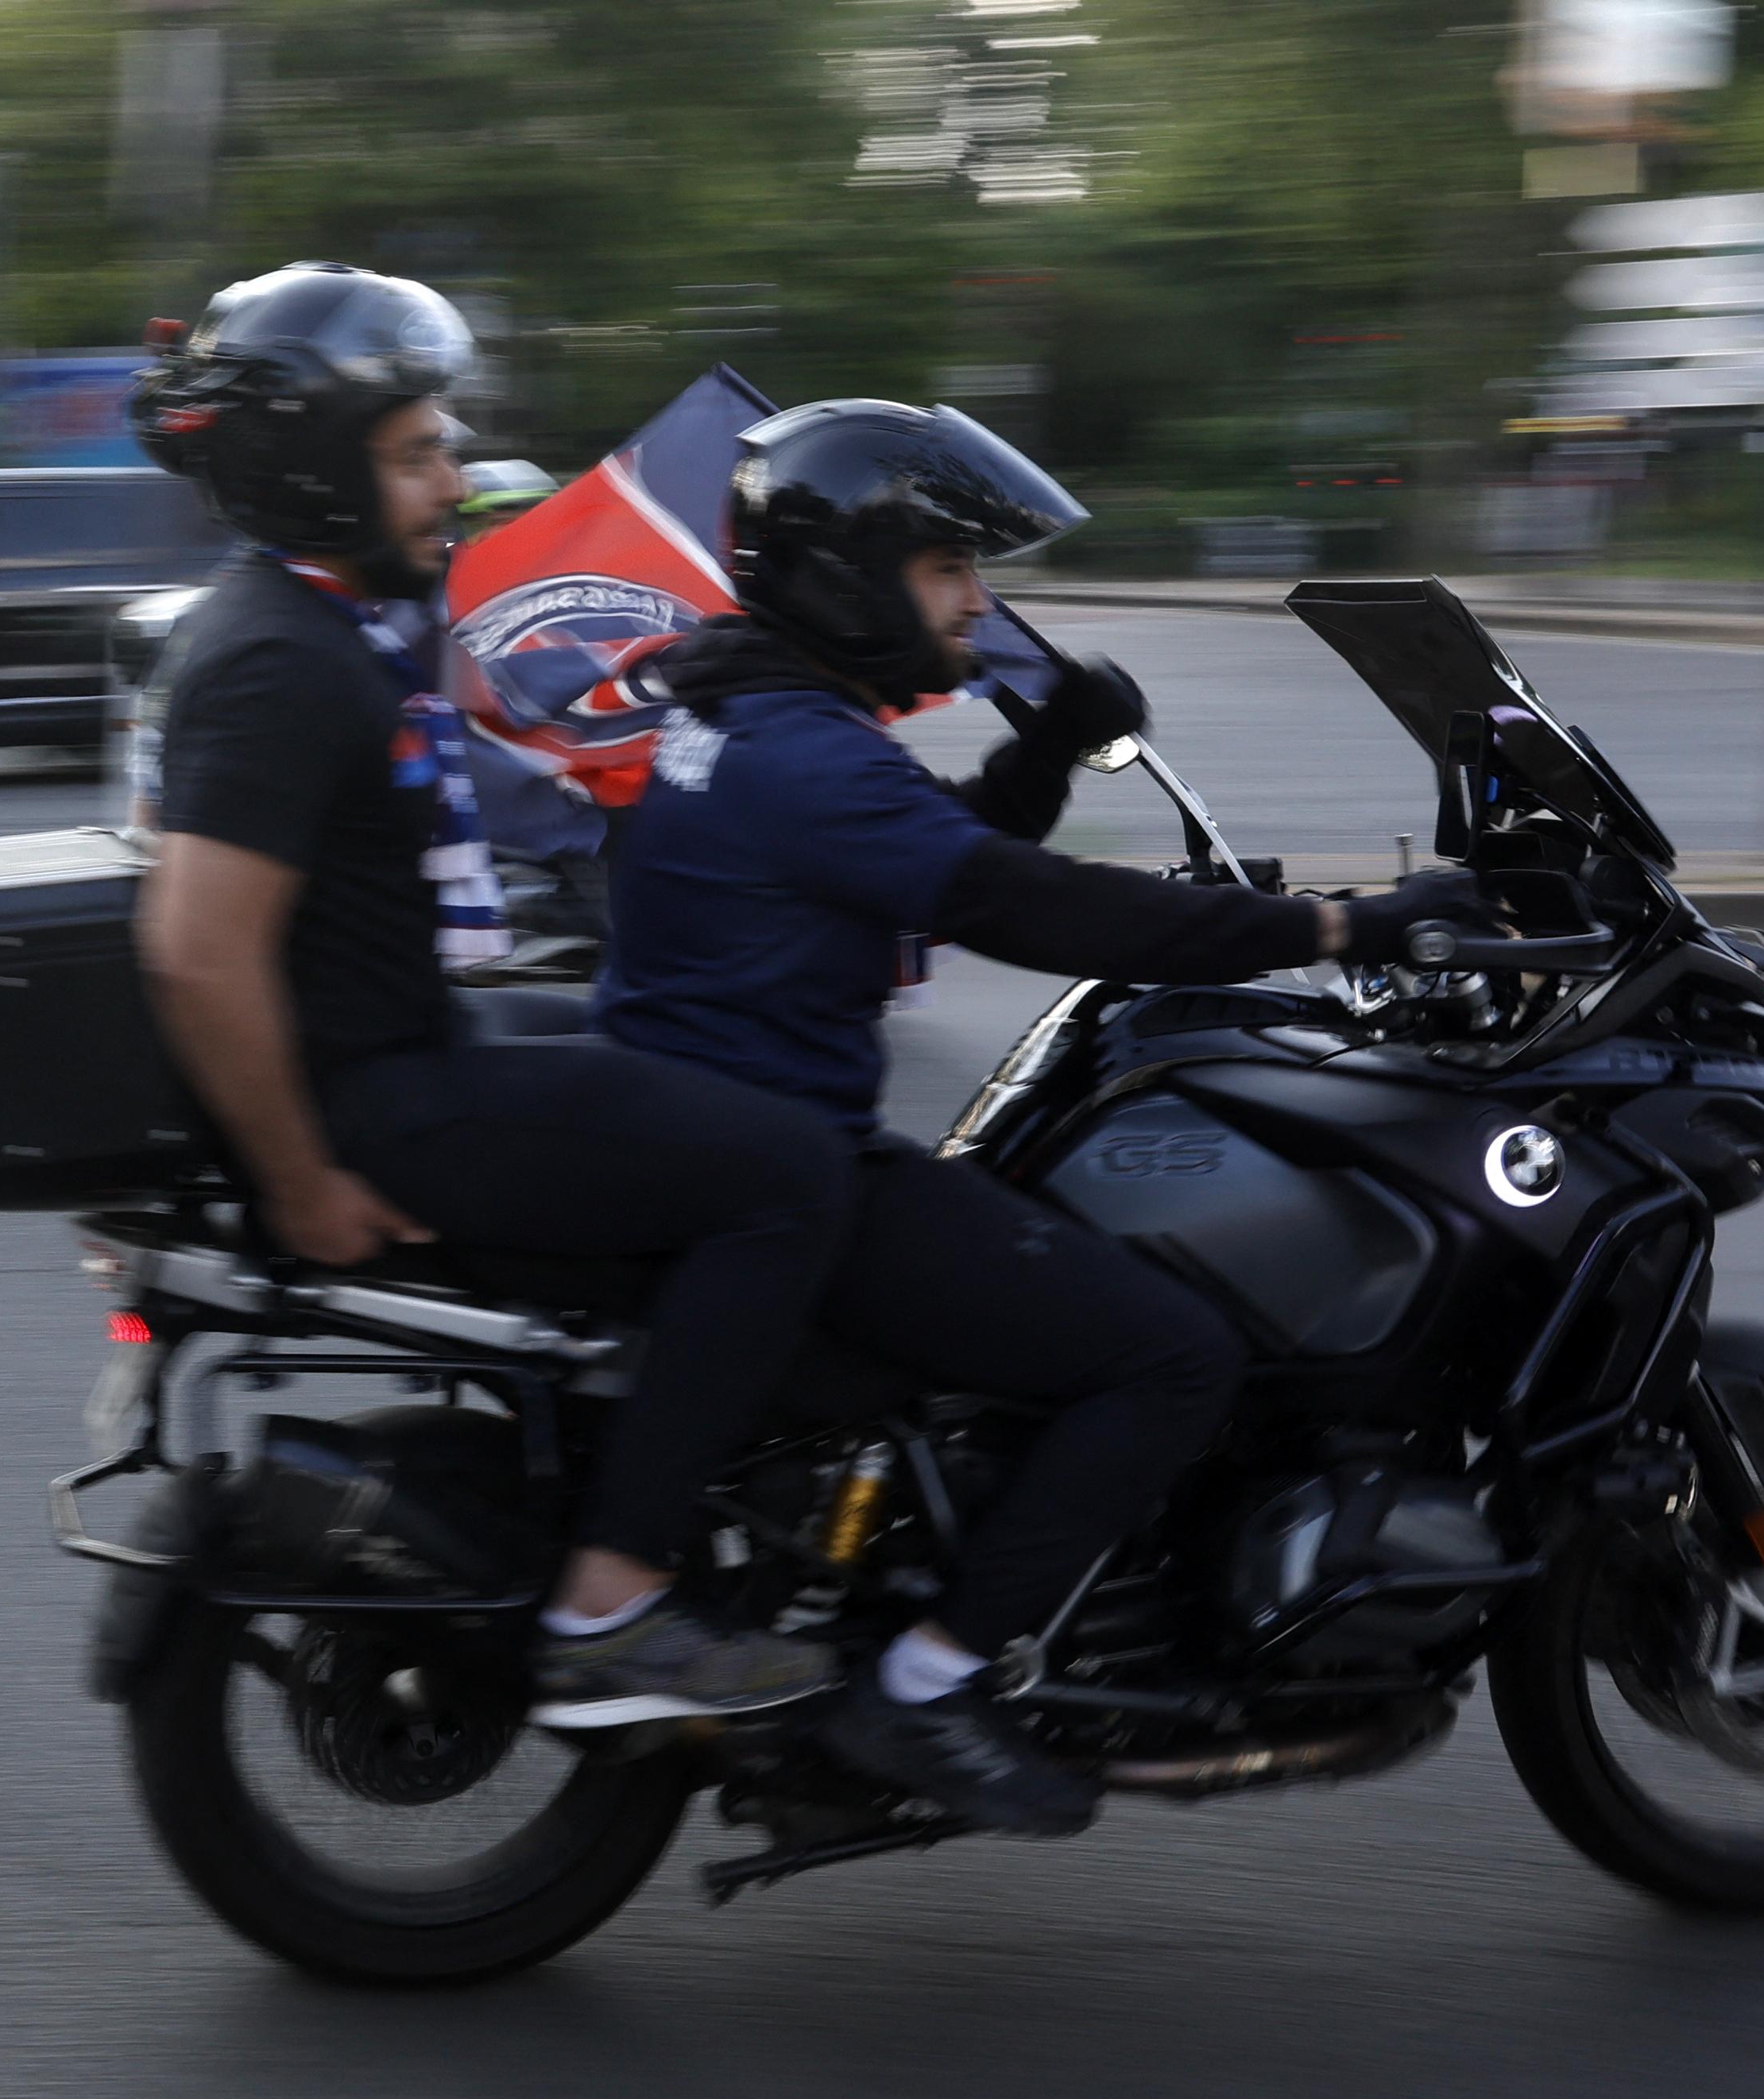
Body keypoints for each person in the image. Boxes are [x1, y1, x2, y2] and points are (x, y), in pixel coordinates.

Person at [599, 398, 1496, 1836]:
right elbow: (1016, 903)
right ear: (849, 577)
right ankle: (933, 1682)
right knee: (1166, 1351)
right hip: (785, 1168)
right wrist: (1341, 924)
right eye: (948, 570)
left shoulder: (744, 718)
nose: (976, 602)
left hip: (717, 1139)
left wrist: (1044, 752)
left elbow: (933, 859)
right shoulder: (808, 757)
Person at [126, 263, 860, 1730]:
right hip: (374, 1099)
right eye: (417, 456)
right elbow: (195, 950)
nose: (455, 483)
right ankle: (616, 1603)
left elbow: (532, 794)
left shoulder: (336, 625)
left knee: (654, 1053)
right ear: (322, 477)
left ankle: (651, 1440)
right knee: (794, 1174)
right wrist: (304, 1185)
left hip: (404, 1042)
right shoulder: (280, 664)